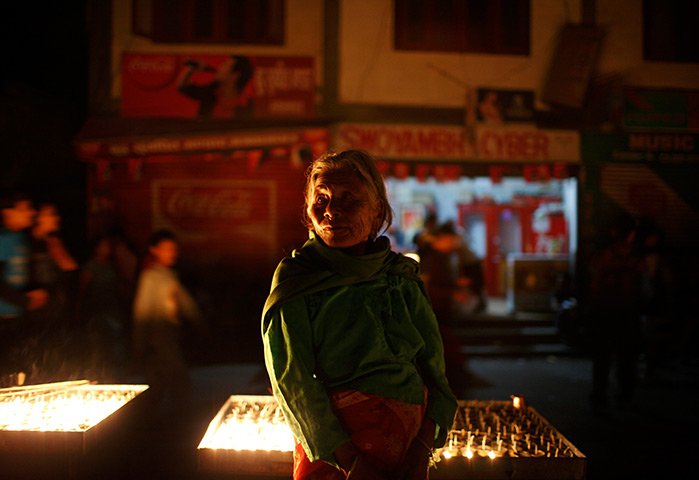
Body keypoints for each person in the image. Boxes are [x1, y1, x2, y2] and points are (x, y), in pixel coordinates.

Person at [262, 150, 457, 480]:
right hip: (336, 455)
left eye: (349, 198)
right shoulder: (297, 278)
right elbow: (292, 381)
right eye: (320, 198)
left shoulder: (401, 276)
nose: (332, 210)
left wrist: (422, 450)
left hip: (409, 450)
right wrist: (352, 461)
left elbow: (434, 371)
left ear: (377, 210)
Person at [132, 229, 202, 416]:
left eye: (174, 249)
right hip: (159, 341)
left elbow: (186, 303)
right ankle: (184, 426)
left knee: (156, 386)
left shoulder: (167, 275)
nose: (172, 253)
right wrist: (139, 342)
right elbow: (142, 311)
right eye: (167, 249)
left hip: (165, 340)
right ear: (154, 250)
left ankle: (145, 427)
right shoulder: (151, 277)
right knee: (179, 383)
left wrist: (197, 320)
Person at [587, 215, 644, 413]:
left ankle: (600, 397)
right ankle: (624, 396)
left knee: (604, 358)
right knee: (626, 358)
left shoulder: (603, 257)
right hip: (626, 314)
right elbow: (643, 286)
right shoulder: (636, 258)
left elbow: (594, 286)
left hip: (607, 313)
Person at [0, 191, 48, 385]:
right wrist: (25, 300)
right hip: (3, 320)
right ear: (8, 212)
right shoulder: (3, 239)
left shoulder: (21, 239)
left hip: (19, 316)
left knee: (21, 373)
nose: (32, 212)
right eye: (25, 208)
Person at [177, 55, 254, 118]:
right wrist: (191, 68)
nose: (220, 67)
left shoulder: (246, 104)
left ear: (235, 75)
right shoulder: (211, 92)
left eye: (225, 65)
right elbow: (183, 86)